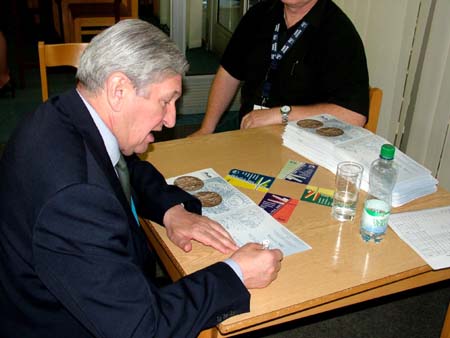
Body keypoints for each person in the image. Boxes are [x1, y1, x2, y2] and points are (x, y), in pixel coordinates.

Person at [0, 19, 283, 338]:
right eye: (166, 100)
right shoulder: (75, 198)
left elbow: (125, 166)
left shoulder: (65, 113)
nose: (171, 119)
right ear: (118, 90)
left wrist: (170, 210)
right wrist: (236, 273)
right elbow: (141, 329)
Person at [191, 0, 369, 135]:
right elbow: (229, 73)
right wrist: (206, 129)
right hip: (247, 127)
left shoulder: (340, 34)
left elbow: (354, 116)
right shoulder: (259, 14)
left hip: (304, 139)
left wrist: (281, 114)